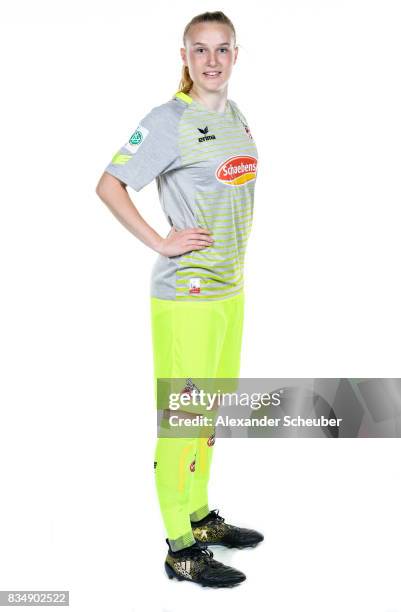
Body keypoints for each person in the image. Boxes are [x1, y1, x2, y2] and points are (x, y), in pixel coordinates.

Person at [95, 10, 263, 588]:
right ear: (184, 57)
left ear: (236, 55)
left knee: (209, 418)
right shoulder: (168, 121)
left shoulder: (237, 116)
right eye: (200, 50)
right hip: (187, 297)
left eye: (222, 49)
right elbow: (109, 184)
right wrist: (160, 241)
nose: (212, 61)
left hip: (230, 293)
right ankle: (180, 549)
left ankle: (199, 516)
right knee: (182, 421)